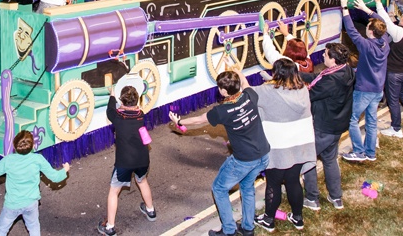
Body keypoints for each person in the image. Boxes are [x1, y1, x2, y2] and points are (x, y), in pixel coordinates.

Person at [169, 70, 269, 236]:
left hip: (243, 160)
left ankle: (229, 230)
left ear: (223, 91)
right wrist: (237, 71)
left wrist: (179, 121)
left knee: (219, 188)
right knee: (247, 187)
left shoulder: (222, 111)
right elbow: (245, 82)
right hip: (263, 155)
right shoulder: (250, 95)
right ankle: (248, 228)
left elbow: (199, 119)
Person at [252, 59, 316, 232]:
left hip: (278, 147)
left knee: (273, 183)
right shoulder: (302, 90)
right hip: (299, 146)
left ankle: (268, 220)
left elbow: (247, 91)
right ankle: (298, 218)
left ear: (276, 74)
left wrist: (237, 73)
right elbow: (282, 89)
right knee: (293, 182)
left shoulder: (267, 91)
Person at [354, 0, 403, 138]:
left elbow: (384, 20)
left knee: (393, 100)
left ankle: (396, 128)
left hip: (394, 72)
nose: (401, 19)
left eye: (402, 19)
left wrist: (377, 3)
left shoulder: (399, 33)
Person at [0, 130, 70, 236]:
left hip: (12, 204)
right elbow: (55, 177)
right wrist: (65, 170)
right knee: (34, 227)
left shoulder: (8, 160)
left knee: (1, 230)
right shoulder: (38, 159)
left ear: (14, 146)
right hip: (31, 203)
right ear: (33, 145)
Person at [300, 43, 355, 211]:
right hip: (337, 125)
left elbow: (308, 95)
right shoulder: (345, 70)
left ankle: (312, 198)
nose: (323, 55)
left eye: (325, 54)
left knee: (308, 160)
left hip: (323, 127)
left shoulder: (330, 81)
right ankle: (336, 197)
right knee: (330, 160)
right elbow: (318, 77)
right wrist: (296, 73)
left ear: (333, 59)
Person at [98, 85, 155, 236]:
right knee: (142, 181)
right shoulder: (141, 115)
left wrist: (111, 94)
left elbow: (111, 109)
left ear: (122, 101)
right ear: (137, 100)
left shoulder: (117, 118)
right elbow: (128, 110)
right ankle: (150, 210)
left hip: (124, 162)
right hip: (143, 159)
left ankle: (110, 227)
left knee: (114, 191)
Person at [339, 0, 390, 162]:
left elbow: (352, 31)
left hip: (364, 90)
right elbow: (382, 21)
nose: (366, 28)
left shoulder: (367, 46)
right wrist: (366, 9)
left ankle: (359, 152)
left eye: (368, 26)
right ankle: (370, 152)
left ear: (371, 32)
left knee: (352, 119)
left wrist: (344, 7)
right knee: (371, 121)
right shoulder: (385, 42)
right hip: (378, 89)